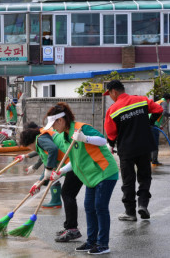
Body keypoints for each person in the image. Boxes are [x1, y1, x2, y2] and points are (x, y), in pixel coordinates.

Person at [45, 102, 119, 255]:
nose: (52, 128)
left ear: (60, 120)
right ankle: (91, 241)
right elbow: (74, 160)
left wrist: (85, 138)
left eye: (53, 124)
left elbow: (103, 141)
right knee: (89, 207)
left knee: (100, 207)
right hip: (91, 177)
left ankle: (103, 244)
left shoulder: (81, 128)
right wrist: (62, 171)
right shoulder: (65, 136)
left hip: (104, 172)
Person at [104, 80, 163, 221]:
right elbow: (158, 110)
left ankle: (130, 213)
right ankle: (143, 205)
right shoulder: (141, 100)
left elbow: (111, 133)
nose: (110, 97)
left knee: (128, 181)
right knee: (144, 177)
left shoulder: (112, 110)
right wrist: (150, 122)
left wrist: (111, 145)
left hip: (126, 150)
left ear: (114, 91)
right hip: (144, 147)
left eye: (109, 94)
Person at [22, 121, 84, 242]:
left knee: (67, 194)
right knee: (67, 194)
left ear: (31, 142)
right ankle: (69, 227)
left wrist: (48, 171)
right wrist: (39, 183)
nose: (30, 149)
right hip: (71, 162)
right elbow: (48, 164)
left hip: (76, 162)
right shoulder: (41, 139)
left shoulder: (40, 139)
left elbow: (53, 150)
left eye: (28, 147)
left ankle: (72, 229)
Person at [150, 93, 170, 165]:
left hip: (149, 123)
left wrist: (159, 125)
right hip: (153, 125)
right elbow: (164, 112)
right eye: (169, 101)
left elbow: (155, 114)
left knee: (150, 142)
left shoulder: (157, 102)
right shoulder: (164, 103)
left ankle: (150, 159)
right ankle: (154, 160)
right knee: (155, 143)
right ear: (168, 99)